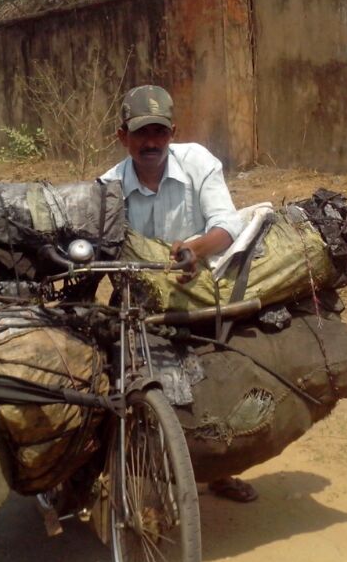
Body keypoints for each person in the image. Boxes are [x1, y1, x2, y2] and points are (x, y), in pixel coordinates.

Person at [99, 85, 259, 503]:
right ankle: (128, 474)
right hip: (135, 301)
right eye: (140, 134)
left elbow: (228, 225)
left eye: (159, 132)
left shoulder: (199, 162)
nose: (150, 142)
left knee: (225, 374)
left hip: (198, 292)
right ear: (122, 136)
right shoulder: (107, 187)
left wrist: (196, 250)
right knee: (118, 383)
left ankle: (220, 470)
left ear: (173, 132)